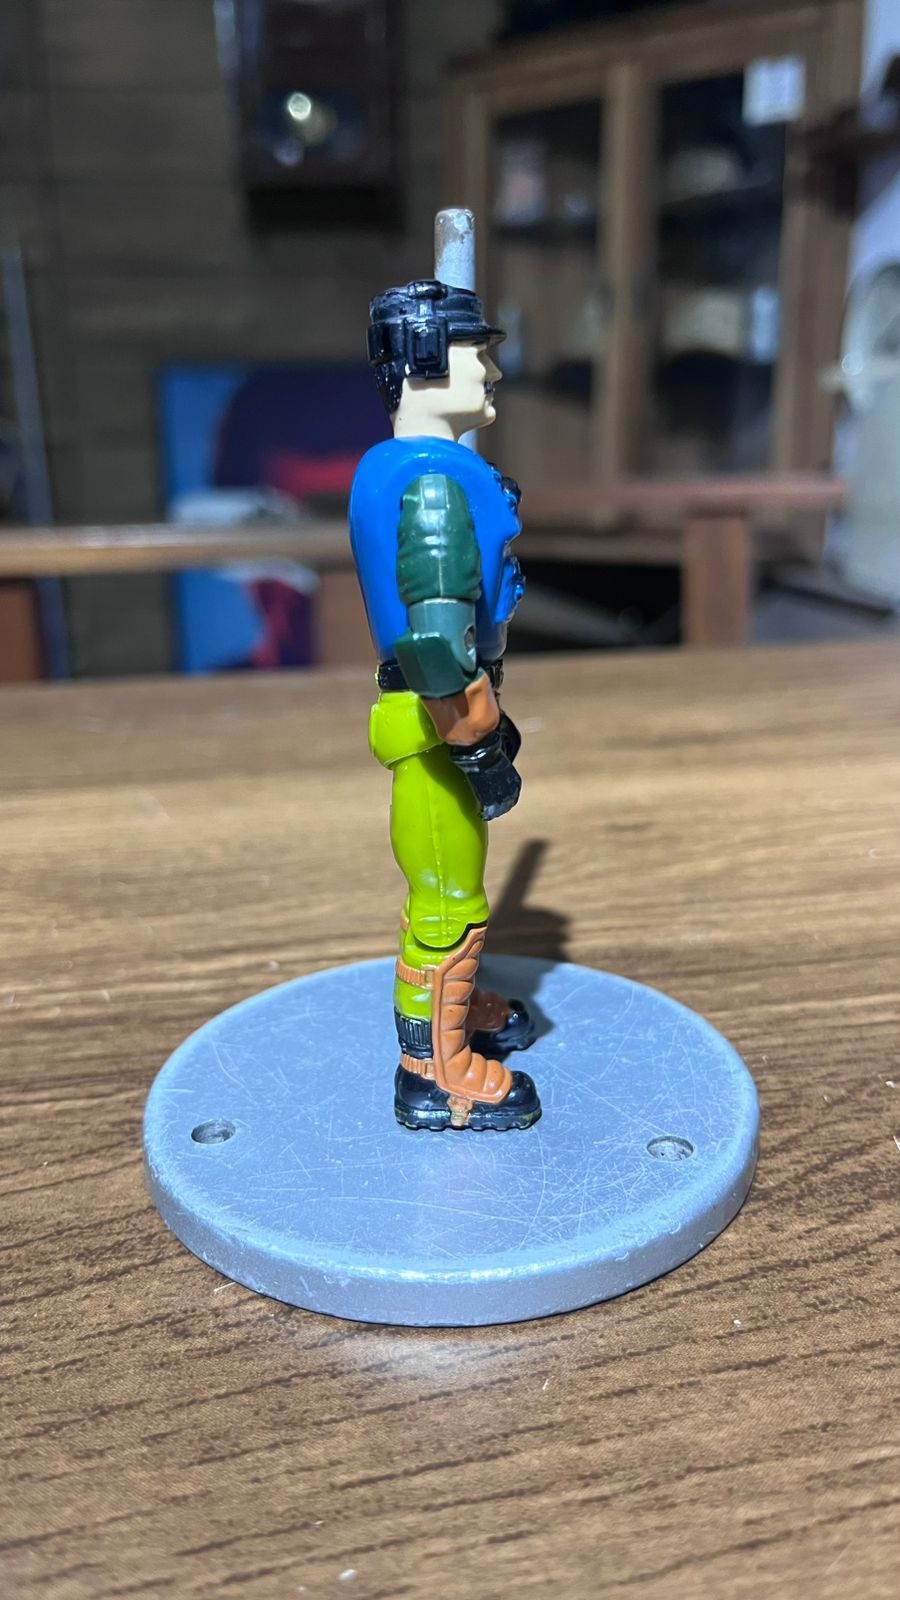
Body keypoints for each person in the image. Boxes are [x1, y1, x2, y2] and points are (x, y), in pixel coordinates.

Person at [349, 279, 542, 1132]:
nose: (491, 369)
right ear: (425, 359)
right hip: (438, 728)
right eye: (474, 352)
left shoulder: (406, 468)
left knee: (456, 886)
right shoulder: (430, 485)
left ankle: (453, 1018)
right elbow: (434, 649)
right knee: (446, 903)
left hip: (443, 720)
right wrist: (478, 743)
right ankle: (433, 1071)